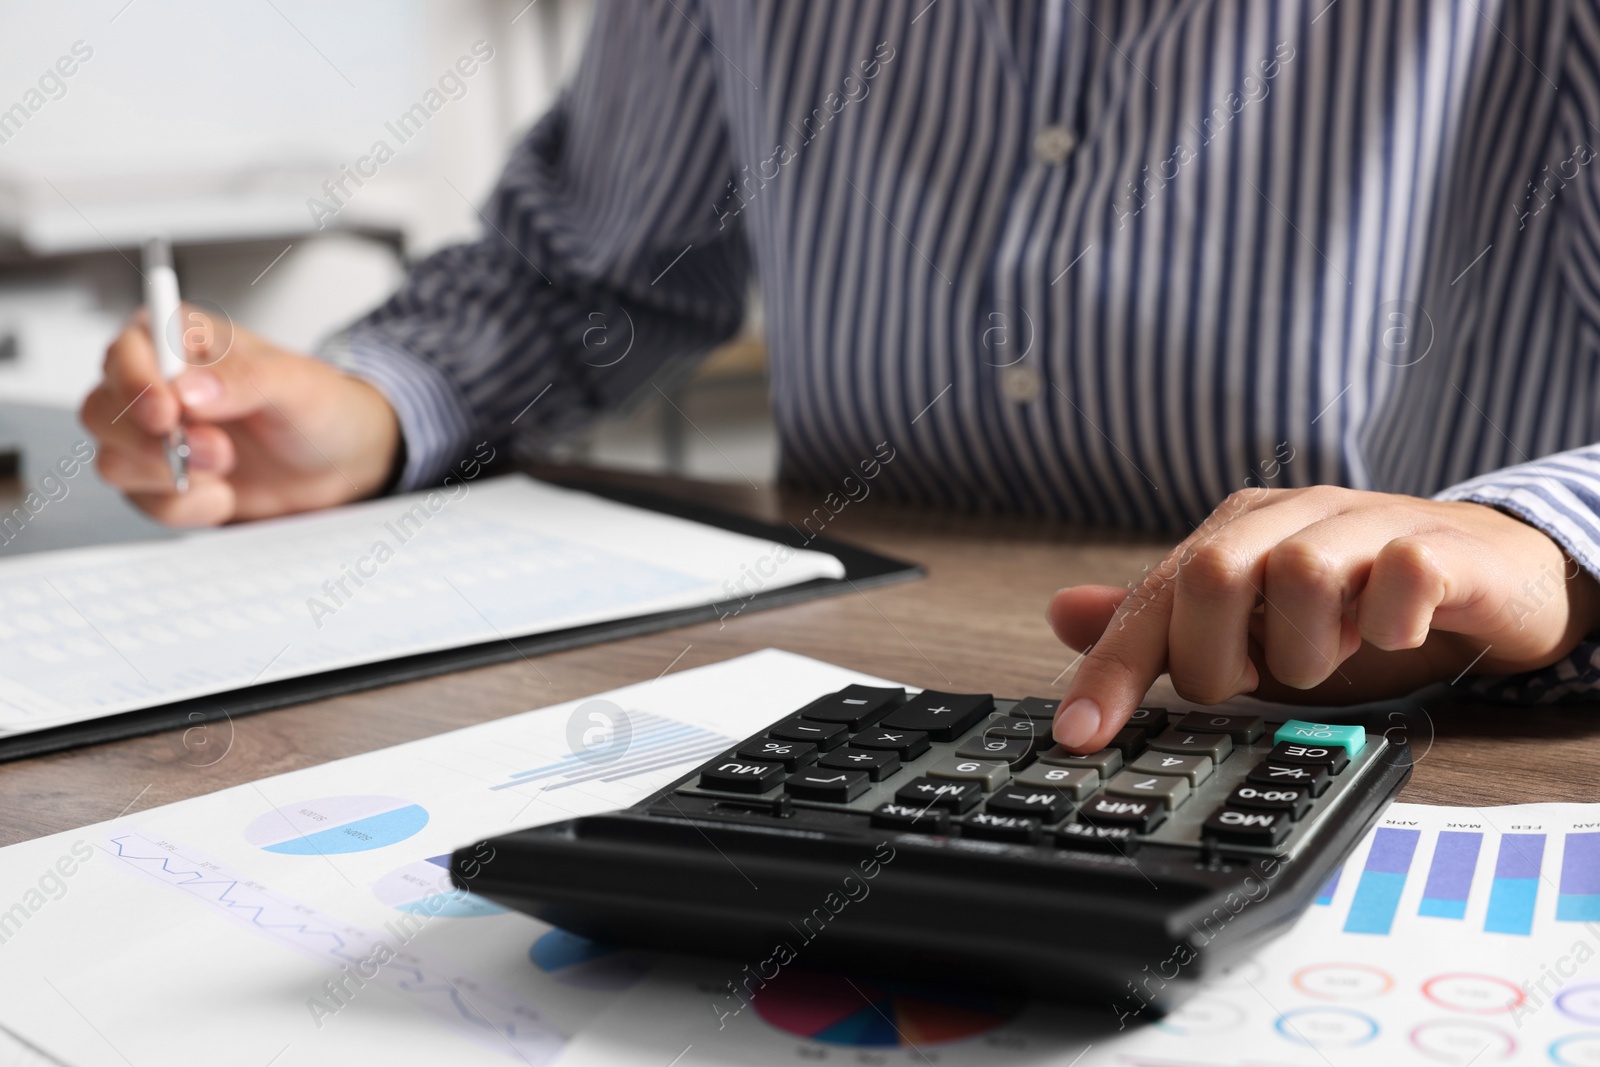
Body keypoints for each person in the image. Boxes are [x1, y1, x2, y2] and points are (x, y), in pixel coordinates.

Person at [80, 1, 1600, 754]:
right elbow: (588, 269)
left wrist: (1546, 544)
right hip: (839, 677)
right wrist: (385, 398)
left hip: (1434, 730)